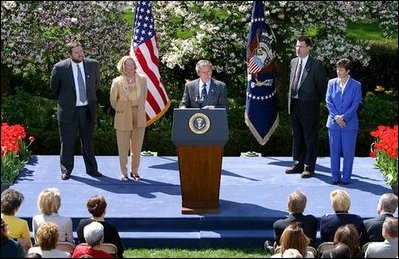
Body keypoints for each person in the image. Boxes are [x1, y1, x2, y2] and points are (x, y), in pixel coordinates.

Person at [50, 41, 102, 180]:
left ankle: (92, 169)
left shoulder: (92, 65)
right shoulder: (60, 68)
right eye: (77, 52)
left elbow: (95, 85)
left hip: (87, 110)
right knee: (67, 142)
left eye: (81, 51)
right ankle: (66, 170)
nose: (80, 54)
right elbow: (54, 89)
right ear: (70, 54)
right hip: (68, 111)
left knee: (88, 141)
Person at [286, 36, 328, 178]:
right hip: (294, 104)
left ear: (309, 47)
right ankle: (298, 163)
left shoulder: (316, 65)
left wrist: (316, 103)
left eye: (301, 46)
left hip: (310, 107)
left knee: (310, 137)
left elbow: (323, 88)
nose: (298, 49)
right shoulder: (293, 62)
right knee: (297, 135)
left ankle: (309, 167)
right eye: (297, 46)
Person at [110, 56, 147, 182]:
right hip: (123, 115)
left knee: (137, 146)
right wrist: (122, 110)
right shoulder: (116, 81)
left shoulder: (142, 79)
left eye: (133, 64)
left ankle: (135, 171)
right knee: (123, 146)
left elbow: (144, 96)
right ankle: (123, 172)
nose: (131, 67)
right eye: (128, 65)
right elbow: (113, 101)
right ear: (123, 67)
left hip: (139, 114)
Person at [326, 58, 362, 185]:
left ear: (348, 71)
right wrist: (336, 117)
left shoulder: (356, 85)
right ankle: (335, 177)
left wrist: (344, 117)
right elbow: (328, 101)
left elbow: (355, 104)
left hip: (349, 124)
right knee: (334, 152)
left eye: (341, 70)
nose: (338, 72)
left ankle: (346, 178)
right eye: (337, 69)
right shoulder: (331, 83)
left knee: (348, 153)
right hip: (333, 124)